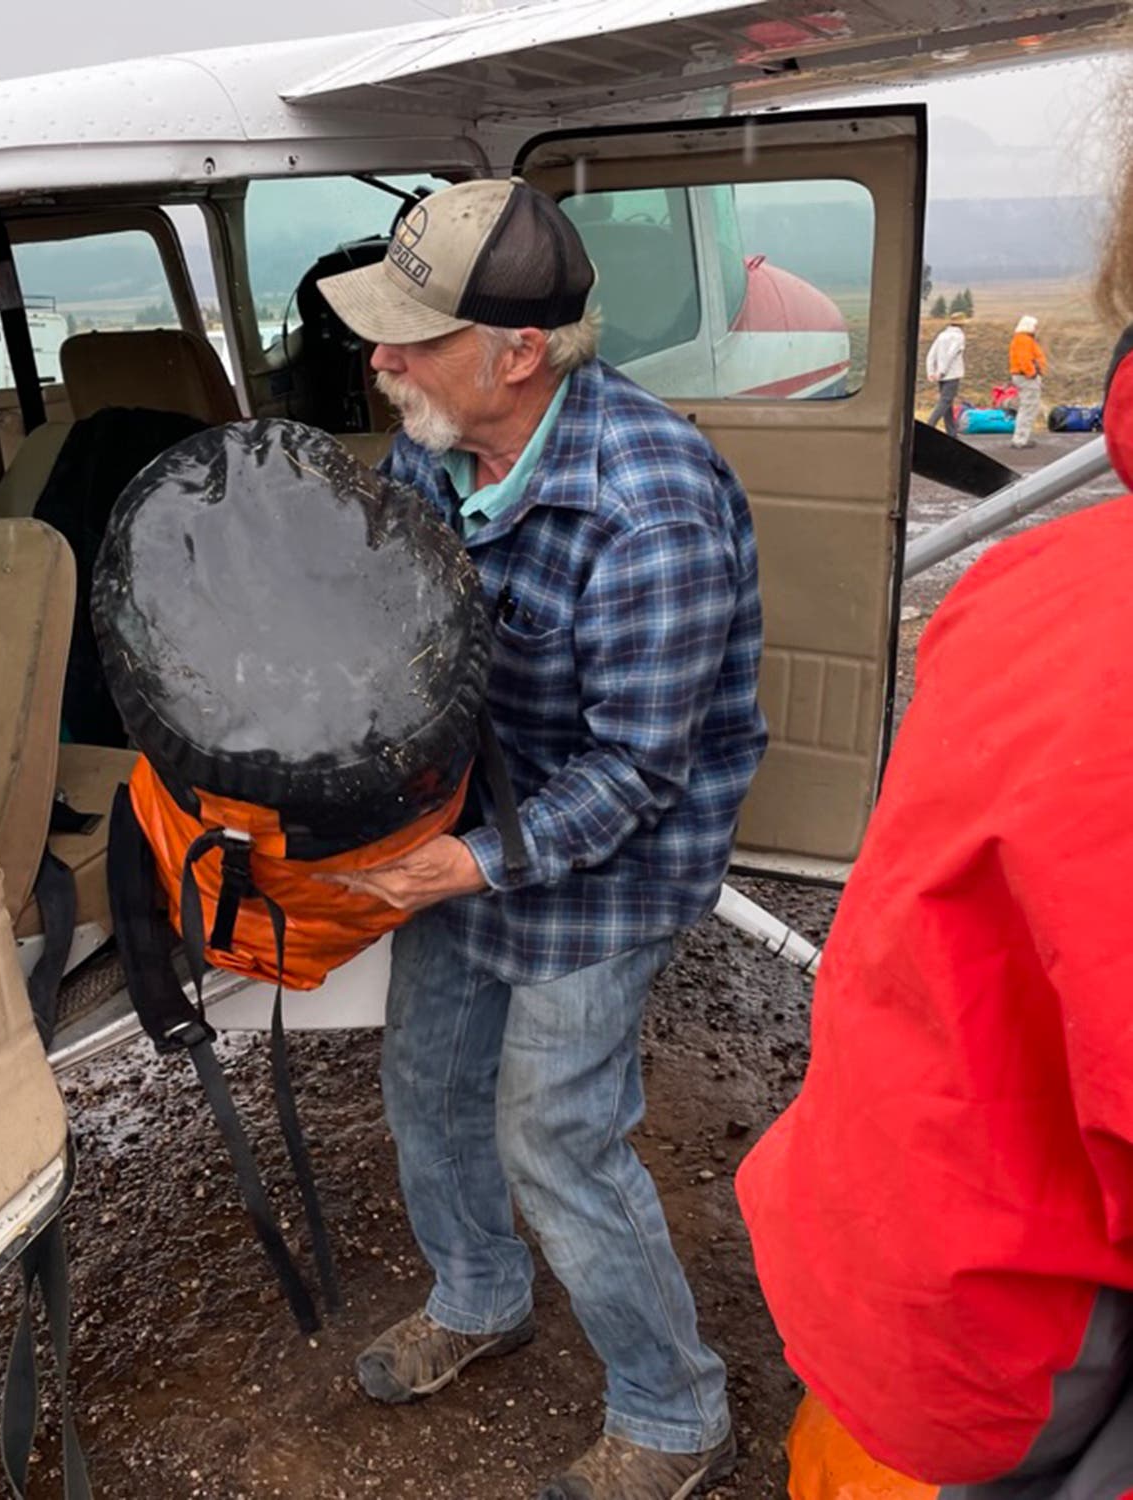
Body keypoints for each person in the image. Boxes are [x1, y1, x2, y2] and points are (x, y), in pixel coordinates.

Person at [316, 178, 768, 1500]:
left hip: (608, 862)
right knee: (427, 1083)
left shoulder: (650, 505)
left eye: (414, 336)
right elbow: (398, 628)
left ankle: (676, 1414)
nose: (381, 359)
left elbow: (639, 770)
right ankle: (480, 1294)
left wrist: (462, 862)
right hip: (469, 817)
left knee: (556, 1135)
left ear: (518, 354)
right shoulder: (433, 444)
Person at [734, 264, 1133, 1493]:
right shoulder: (1045, 598)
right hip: (993, 1350)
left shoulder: (1024, 587)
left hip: (931, 1334)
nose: (382, 364)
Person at [1008, 313, 1049, 447]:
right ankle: (1020, 440)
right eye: (1035, 326)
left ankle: (1021, 438)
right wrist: (1032, 373)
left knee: (1027, 407)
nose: (1036, 329)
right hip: (1026, 377)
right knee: (1028, 407)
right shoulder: (1024, 340)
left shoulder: (1022, 339)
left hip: (1023, 376)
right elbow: (1024, 359)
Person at [924, 312, 967, 434]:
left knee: (947, 404)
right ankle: (930, 425)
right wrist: (942, 371)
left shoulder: (942, 335)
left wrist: (931, 371)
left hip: (941, 374)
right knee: (945, 401)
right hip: (952, 374)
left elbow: (932, 354)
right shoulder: (959, 336)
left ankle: (951, 432)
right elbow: (951, 355)